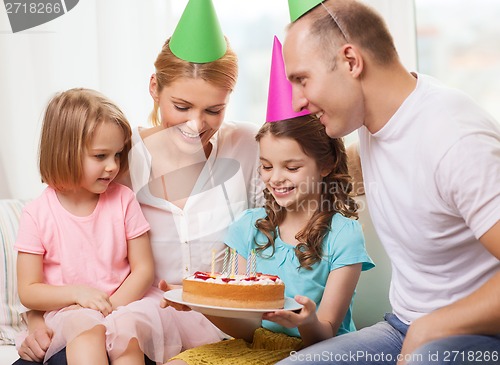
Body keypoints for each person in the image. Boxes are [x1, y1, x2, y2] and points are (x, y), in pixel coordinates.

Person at [14, 1, 264, 364]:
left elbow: (309, 179)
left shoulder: (249, 145)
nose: (196, 125)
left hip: (214, 327)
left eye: (213, 110)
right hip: (127, 321)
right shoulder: (119, 156)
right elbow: (62, 232)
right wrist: (38, 319)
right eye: (181, 106)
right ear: (154, 88)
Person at [278, 0, 500, 364]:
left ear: (351, 61)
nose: (297, 101)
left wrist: (434, 326)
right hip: (403, 328)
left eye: (302, 79)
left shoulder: (456, 139)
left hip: (479, 337)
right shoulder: (371, 120)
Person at [164, 35, 374, 365]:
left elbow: (328, 331)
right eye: (265, 166)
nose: (275, 177)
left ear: (327, 164)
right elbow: (245, 330)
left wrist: (306, 320)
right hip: (257, 346)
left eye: (291, 167)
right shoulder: (251, 226)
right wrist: (200, 304)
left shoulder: (344, 234)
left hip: (318, 352)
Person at [14, 88, 171, 365]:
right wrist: (78, 294)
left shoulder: (123, 200)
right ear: (65, 152)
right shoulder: (37, 214)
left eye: (118, 155)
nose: (113, 166)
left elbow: (143, 269)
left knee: (128, 338)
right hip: (71, 312)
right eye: (100, 156)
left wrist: (111, 309)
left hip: (124, 304)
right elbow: (29, 290)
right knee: (86, 333)